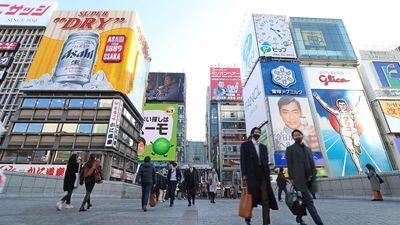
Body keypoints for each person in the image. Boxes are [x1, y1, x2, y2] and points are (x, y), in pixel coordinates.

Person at [313, 93, 363, 174]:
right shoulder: (338, 113)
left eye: (344, 104)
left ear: (346, 105)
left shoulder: (350, 112)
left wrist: (360, 99)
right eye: (341, 105)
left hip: (353, 131)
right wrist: (319, 99)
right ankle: (359, 168)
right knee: (352, 151)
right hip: (345, 134)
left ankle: (357, 146)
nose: (342, 106)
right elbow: (327, 107)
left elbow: (357, 107)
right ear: (338, 106)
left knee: (356, 142)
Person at [240, 127, 278, 225]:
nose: (258, 133)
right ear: (252, 134)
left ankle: (266, 222)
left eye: (259, 132)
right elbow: (243, 161)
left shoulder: (263, 147)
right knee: (251, 198)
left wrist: (268, 173)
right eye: (256, 132)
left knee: (266, 200)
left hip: (263, 175)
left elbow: (265, 161)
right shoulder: (245, 145)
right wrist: (244, 175)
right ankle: (247, 217)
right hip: (251, 175)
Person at [286, 129, 323, 225]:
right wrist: (292, 179)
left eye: (299, 134)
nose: (297, 136)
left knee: (304, 201)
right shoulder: (290, 149)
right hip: (299, 180)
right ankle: (319, 223)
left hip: (310, 179)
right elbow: (289, 165)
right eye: (295, 135)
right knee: (310, 201)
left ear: (302, 135)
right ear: (293, 138)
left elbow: (312, 163)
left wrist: (314, 174)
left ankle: (299, 218)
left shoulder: (308, 149)